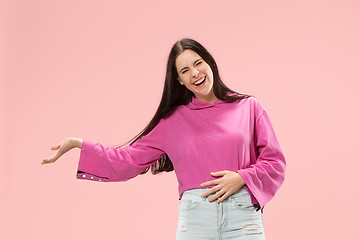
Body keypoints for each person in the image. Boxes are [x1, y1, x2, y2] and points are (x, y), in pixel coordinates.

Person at [42, 38, 286, 240]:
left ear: (209, 62)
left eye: (198, 63)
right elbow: (127, 160)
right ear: (179, 80)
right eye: (185, 71)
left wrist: (242, 177)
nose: (195, 73)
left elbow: (275, 162)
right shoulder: (173, 121)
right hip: (196, 222)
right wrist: (79, 144)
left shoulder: (249, 107)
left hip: (243, 220)